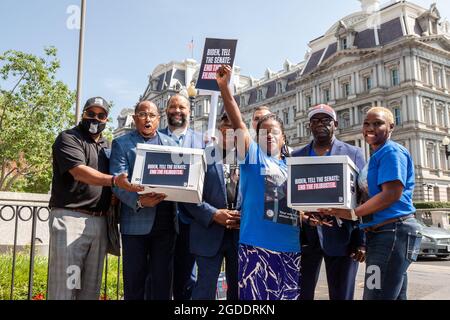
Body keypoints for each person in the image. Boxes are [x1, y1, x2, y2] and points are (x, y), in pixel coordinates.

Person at [318, 107, 422, 300]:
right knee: (394, 295)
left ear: (391, 126)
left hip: (392, 232)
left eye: (378, 123)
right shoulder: (377, 155)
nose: (370, 128)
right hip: (384, 233)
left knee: (375, 294)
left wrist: (353, 213)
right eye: (366, 123)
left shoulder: (391, 151)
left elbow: (391, 194)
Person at [216, 65, 301, 300]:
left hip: (290, 249)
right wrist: (224, 89)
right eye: (263, 132)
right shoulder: (252, 157)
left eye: (274, 131)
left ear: (283, 138)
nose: (269, 135)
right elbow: (238, 123)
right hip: (257, 248)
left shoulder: (293, 168)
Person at [48, 97, 142, 300]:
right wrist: (115, 181)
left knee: (89, 292)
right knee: (65, 289)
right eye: (91, 114)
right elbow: (80, 172)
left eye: (101, 115)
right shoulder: (68, 138)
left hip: (101, 222)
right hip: (71, 219)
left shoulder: (108, 146)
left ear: (107, 119)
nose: (95, 118)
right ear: (83, 114)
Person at [292, 104, 366, 300]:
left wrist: (361, 241)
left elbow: (363, 197)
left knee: (341, 295)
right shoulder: (296, 156)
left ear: (335, 124)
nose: (320, 124)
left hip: (343, 238)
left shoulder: (354, 153)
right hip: (305, 239)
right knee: (301, 295)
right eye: (315, 121)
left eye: (326, 120)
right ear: (309, 126)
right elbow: (288, 196)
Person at [110, 100, 178, 300]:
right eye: (142, 114)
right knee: (134, 284)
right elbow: (117, 182)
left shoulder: (172, 144)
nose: (147, 119)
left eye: (152, 115)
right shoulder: (122, 144)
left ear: (159, 119)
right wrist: (139, 201)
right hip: (135, 223)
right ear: (134, 118)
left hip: (166, 225)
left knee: (163, 284)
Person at [181, 113, 240, 300]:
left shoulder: (249, 158)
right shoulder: (202, 156)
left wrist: (243, 215)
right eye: (224, 128)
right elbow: (189, 195)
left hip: (240, 235)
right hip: (208, 233)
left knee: (239, 292)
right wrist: (214, 214)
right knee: (204, 291)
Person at [159, 93, 205, 300]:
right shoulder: (155, 138)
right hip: (160, 218)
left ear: (189, 111)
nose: (177, 111)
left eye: (182, 108)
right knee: (158, 277)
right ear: (166, 111)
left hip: (191, 220)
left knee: (188, 279)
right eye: (173, 107)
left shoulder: (203, 141)